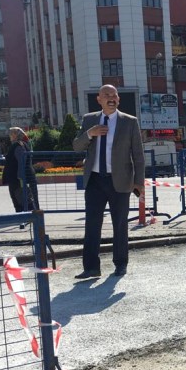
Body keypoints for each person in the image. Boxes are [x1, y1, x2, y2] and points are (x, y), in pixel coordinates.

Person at [73, 84, 145, 279]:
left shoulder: (129, 122)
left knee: (120, 225)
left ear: (118, 99)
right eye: (107, 95)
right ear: (99, 99)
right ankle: (91, 267)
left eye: (114, 95)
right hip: (95, 180)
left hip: (120, 180)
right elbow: (76, 146)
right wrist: (90, 133)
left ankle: (120, 264)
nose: (111, 98)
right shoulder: (89, 120)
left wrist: (139, 182)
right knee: (92, 225)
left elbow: (138, 155)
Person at [2, 127, 39, 213]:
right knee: (22, 201)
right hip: (18, 179)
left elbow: (21, 162)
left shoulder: (18, 145)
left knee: (22, 201)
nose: (9, 136)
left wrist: (21, 178)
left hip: (17, 180)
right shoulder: (22, 144)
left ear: (15, 135)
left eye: (11, 134)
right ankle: (30, 215)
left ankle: (31, 216)